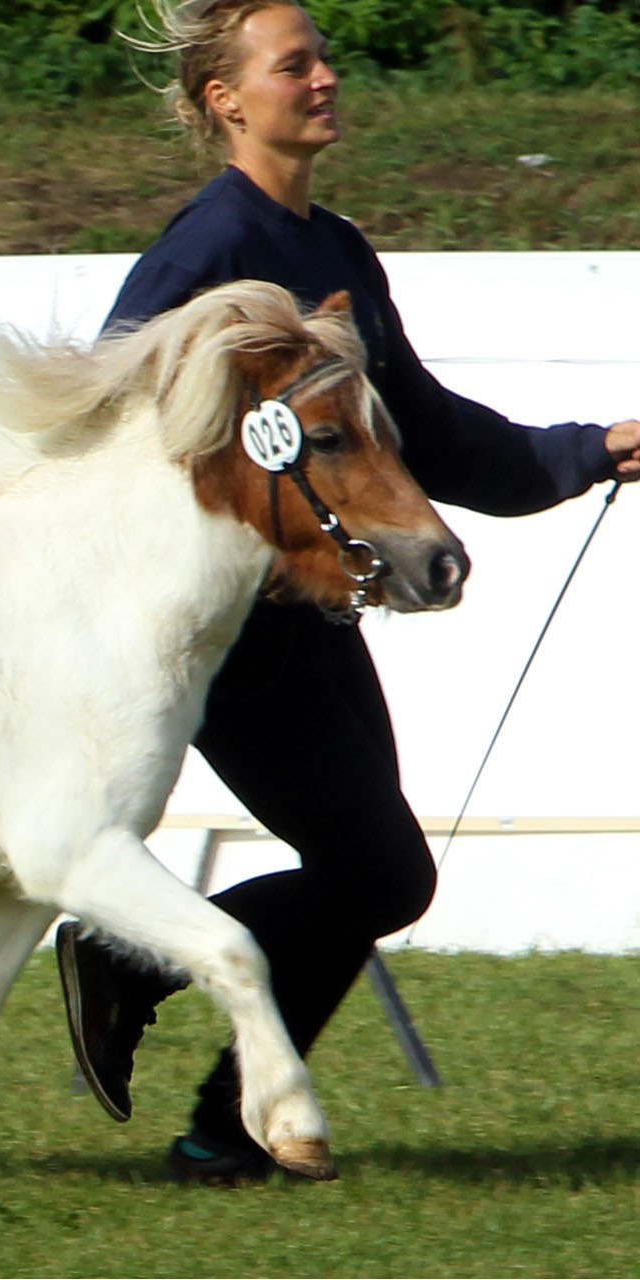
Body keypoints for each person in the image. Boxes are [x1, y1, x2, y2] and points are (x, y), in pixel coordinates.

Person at [57, 0, 640, 1184]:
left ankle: (210, 1103)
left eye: (322, 56)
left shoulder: (335, 250)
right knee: (376, 871)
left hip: (313, 618)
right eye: (294, 62)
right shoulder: (201, 252)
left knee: (369, 872)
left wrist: (588, 449)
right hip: (223, 638)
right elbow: (108, 433)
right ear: (225, 99)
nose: (323, 75)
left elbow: (416, 430)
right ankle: (154, 1001)